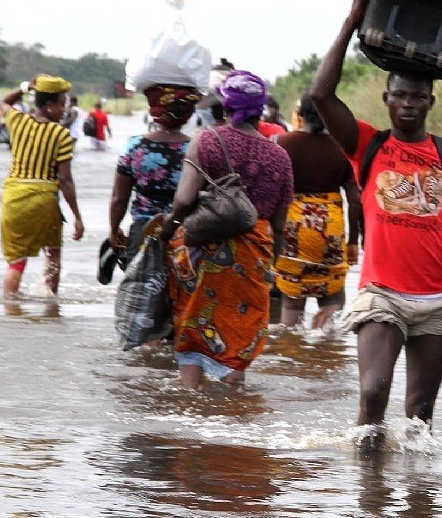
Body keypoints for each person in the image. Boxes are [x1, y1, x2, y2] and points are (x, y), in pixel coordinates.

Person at [309, 0, 442, 444]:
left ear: (430, 102)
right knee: (372, 393)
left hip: (437, 300)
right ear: (387, 99)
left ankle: (417, 502)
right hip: (382, 295)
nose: (409, 103)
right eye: (400, 95)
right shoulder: (367, 144)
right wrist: (352, 20)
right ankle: (370, 502)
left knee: (420, 414)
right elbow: (320, 94)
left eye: (418, 97)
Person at [157, 70, 294, 389]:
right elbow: (279, 225)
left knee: (193, 326)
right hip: (253, 254)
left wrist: (166, 233)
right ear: (261, 109)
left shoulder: (208, 140)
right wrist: (271, 267)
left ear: (225, 106)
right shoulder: (280, 157)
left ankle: (191, 399)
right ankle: (233, 402)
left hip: (204, 246)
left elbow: (184, 200)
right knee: (238, 330)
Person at [275, 92, 361, 329]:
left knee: (291, 305)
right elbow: (355, 200)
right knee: (332, 299)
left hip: (292, 229)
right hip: (330, 231)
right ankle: (325, 346)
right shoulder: (343, 148)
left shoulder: (280, 143)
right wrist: (353, 241)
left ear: (300, 114)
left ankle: (291, 352)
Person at [0, 76, 85, 298]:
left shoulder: (17, 121)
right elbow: (65, 181)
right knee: (53, 254)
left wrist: (25, 87)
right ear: (48, 105)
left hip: (13, 199)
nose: (65, 109)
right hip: (44, 201)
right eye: (61, 103)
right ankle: (50, 305)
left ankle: (10, 309)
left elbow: (1, 101)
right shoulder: (61, 134)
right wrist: (77, 216)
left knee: (16, 263)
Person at [109, 85, 201, 269]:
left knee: (139, 292)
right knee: (183, 293)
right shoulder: (198, 148)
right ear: (188, 114)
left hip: (144, 230)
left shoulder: (135, 146)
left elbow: (119, 199)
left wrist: (113, 229)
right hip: (185, 232)